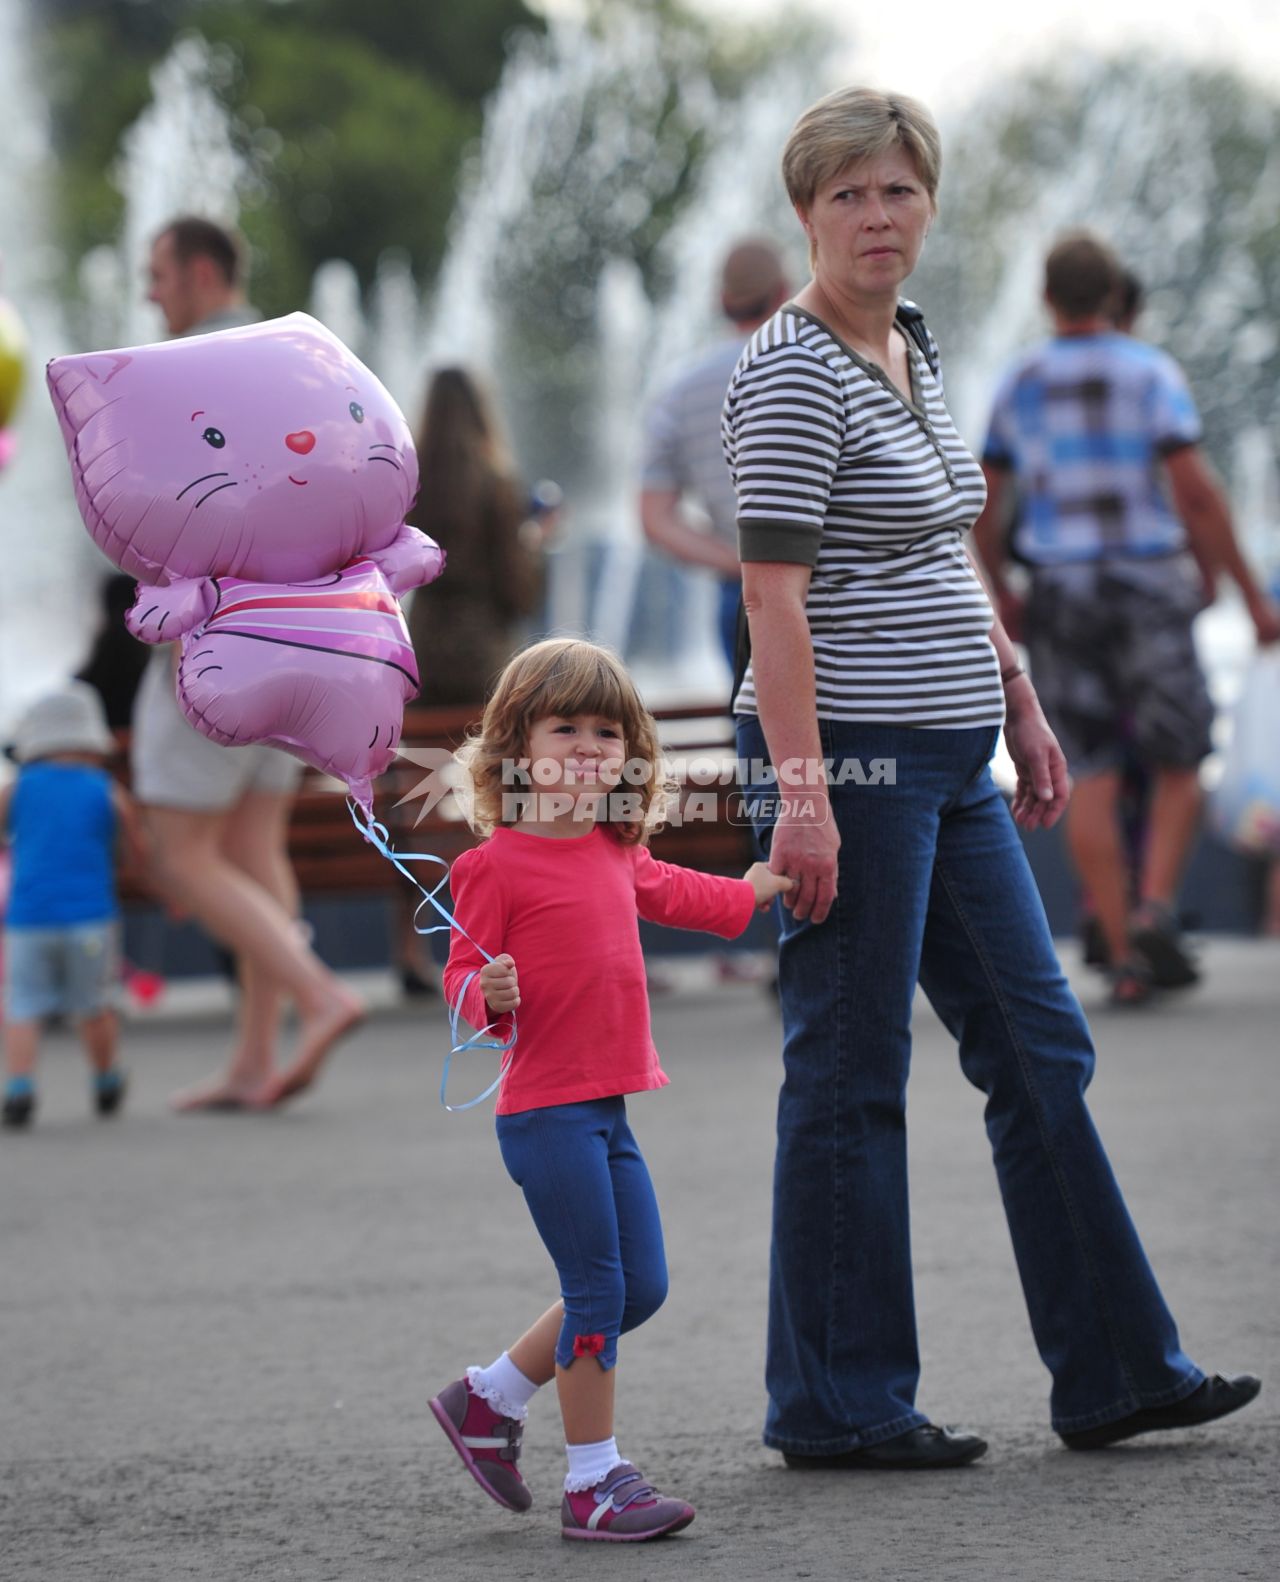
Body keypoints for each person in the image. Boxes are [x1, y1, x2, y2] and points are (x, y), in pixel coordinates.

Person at [722, 85, 1260, 1468]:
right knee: (849, 1070)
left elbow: (947, 547)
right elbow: (771, 604)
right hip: (852, 756)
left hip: (956, 746)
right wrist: (801, 792)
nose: (877, 215)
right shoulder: (790, 369)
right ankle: (835, 1401)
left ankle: (1119, 1369)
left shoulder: (912, 340)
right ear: (807, 212)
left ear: (929, 201)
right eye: (848, 194)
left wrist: (1018, 694)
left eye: (899, 189)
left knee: (1040, 1046)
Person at [428, 637, 791, 1540]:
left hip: (607, 1109)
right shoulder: (491, 866)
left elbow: (676, 893)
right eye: (566, 727)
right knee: (598, 1291)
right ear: (515, 748)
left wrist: (751, 892)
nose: (589, 745)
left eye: (607, 730)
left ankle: (489, 1398)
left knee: (642, 1287)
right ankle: (593, 1482)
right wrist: (486, 994)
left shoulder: (611, 849)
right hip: (546, 1115)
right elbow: (462, 982)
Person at [974, 230, 1280, 1004]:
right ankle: (1151, 909)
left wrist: (1000, 585)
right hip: (1146, 584)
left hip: (1060, 591)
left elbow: (981, 498)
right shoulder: (1149, 371)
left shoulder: (1021, 380)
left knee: (1092, 768)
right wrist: (1246, 594)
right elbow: (1198, 492)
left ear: (1047, 299)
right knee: (1180, 760)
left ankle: (1127, 963)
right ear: (1114, 296)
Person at [132, 216, 361, 1110]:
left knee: (181, 854)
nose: (149, 293)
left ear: (198, 272)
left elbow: (157, 514)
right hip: (304, 638)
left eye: (157, 275)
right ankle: (255, 1058)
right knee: (252, 840)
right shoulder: (300, 354)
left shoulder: (182, 371)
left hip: (213, 645)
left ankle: (319, 993)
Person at [398, 367, 555, 994]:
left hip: (423, 649)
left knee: (410, 795)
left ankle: (407, 948)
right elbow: (519, 591)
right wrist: (538, 541)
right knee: (503, 795)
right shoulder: (496, 486)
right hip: (486, 658)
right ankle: (509, 943)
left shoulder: (407, 487)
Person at [639, 239, 792, 672]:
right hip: (830, 585)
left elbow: (655, 519)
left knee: (755, 732)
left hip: (743, 594)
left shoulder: (679, 389)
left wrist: (734, 562)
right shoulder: (812, 362)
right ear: (784, 292)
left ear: (722, 300)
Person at [1, 684, 143, 1128]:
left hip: (27, 921)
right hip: (90, 920)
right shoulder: (107, 790)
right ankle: (105, 1080)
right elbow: (137, 852)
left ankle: (20, 1087)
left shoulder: (18, 789)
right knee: (94, 1004)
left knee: (22, 1005)